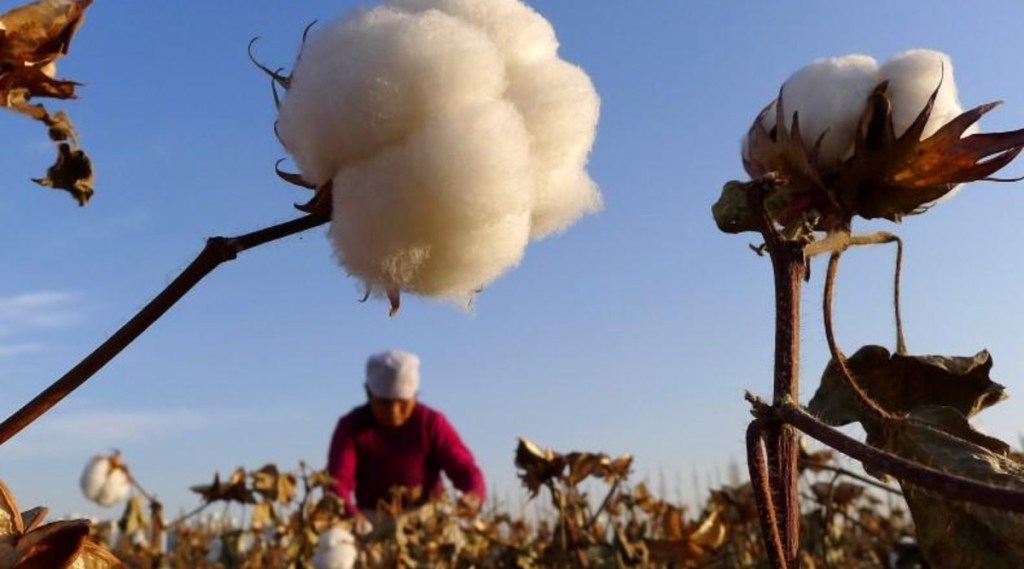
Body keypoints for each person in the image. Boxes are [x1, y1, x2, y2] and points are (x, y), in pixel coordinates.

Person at [326, 349, 486, 524]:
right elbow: (337, 481)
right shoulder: (352, 427)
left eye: (403, 403)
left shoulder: (430, 424)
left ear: (415, 397)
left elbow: (464, 467)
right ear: (369, 394)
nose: (394, 412)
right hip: (372, 522)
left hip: (426, 521)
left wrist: (473, 494)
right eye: (384, 402)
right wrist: (351, 516)